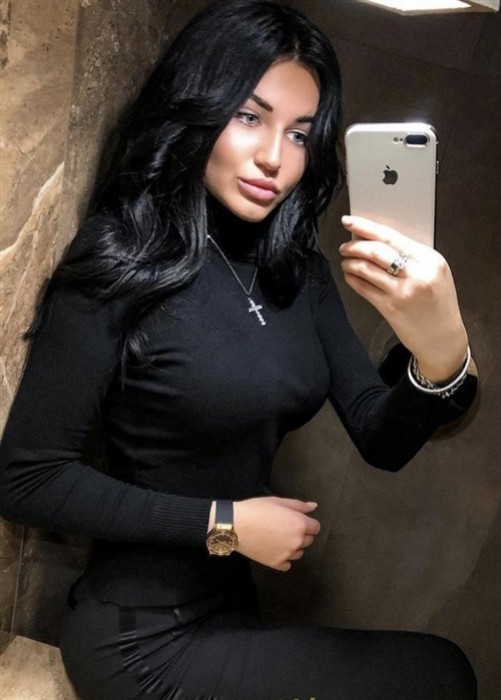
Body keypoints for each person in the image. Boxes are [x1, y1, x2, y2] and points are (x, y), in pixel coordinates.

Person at [0, 1, 478, 698]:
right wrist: (225, 525)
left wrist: (442, 350)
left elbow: (382, 438)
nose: (274, 159)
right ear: (196, 109)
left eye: (300, 134)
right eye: (249, 117)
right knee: (440, 674)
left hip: (228, 606)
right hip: (138, 637)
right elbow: (27, 479)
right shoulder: (122, 257)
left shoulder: (296, 268)